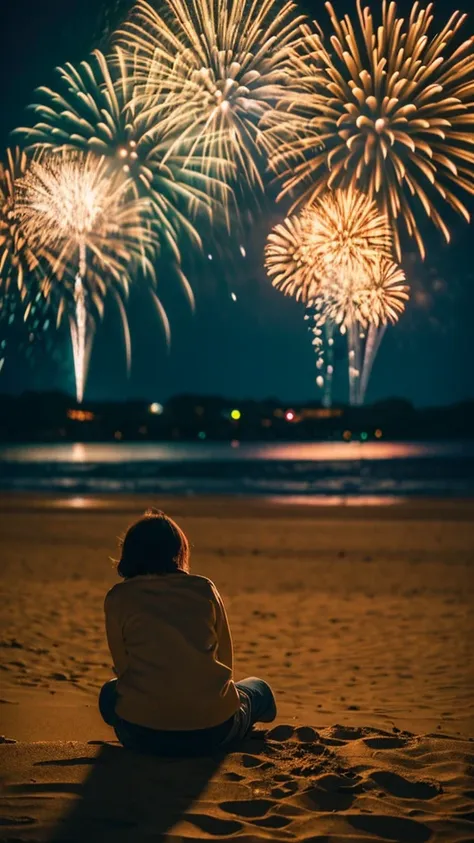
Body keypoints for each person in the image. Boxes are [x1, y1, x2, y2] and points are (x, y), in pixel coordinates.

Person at [99, 508, 277, 755]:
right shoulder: (204, 588)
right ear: (178, 551)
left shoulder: (117, 597)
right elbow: (226, 659)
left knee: (109, 692)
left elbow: (124, 667)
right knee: (258, 688)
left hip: (141, 735)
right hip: (214, 733)